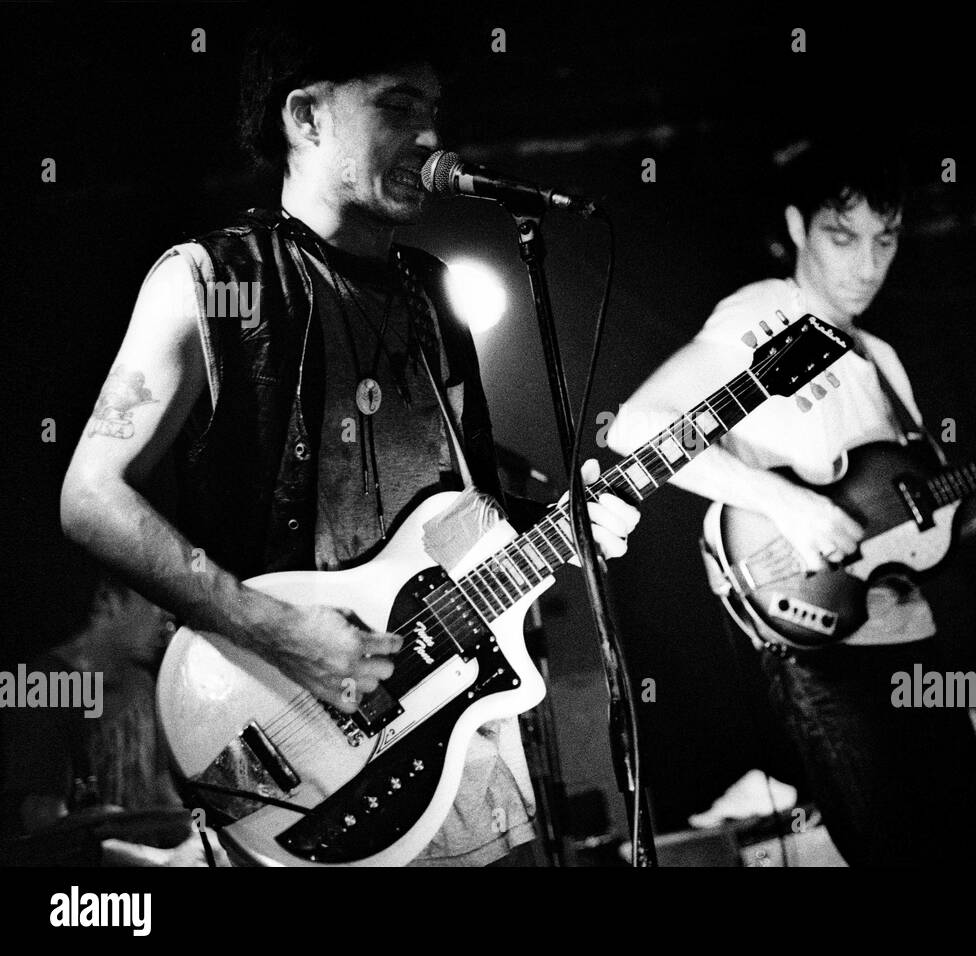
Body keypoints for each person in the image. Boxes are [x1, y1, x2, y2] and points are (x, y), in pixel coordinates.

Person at [58, 17, 639, 867]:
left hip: (454, 734)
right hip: (292, 740)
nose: (432, 134)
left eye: (435, 108)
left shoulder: (434, 295)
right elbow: (90, 496)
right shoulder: (211, 280)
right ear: (307, 116)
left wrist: (563, 531)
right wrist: (280, 627)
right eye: (400, 106)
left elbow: (459, 520)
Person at [607, 143, 976, 865]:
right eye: (841, 237)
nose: (867, 264)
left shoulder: (882, 356)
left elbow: (945, 522)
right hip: (826, 652)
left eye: (885, 240)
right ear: (796, 226)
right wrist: (784, 501)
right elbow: (638, 426)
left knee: (975, 848)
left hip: (915, 638)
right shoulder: (769, 311)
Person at [0, 576, 222, 865]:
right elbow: (46, 832)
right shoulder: (40, 686)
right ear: (107, 600)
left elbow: (162, 796)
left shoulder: (142, 682)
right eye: (156, 599)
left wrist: (199, 836)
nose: (168, 615)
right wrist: (163, 861)